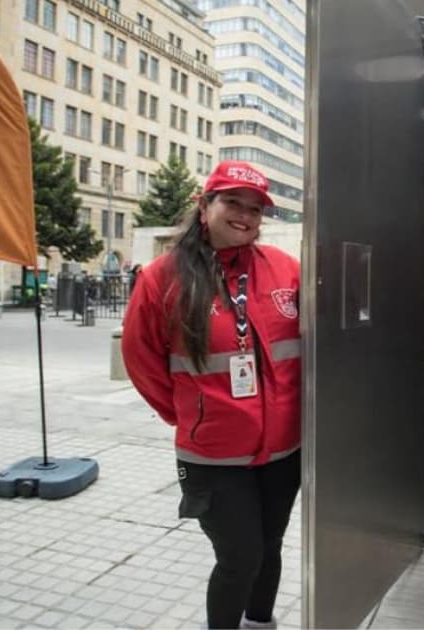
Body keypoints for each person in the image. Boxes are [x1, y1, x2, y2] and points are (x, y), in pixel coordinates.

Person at [121, 161, 301, 630]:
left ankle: (260, 624)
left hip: (283, 450)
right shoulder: (162, 277)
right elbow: (141, 360)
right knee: (240, 556)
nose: (245, 215)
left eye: (255, 209)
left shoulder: (285, 269)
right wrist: (193, 415)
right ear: (205, 206)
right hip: (214, 454)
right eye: (233, 203)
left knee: (270, 546)